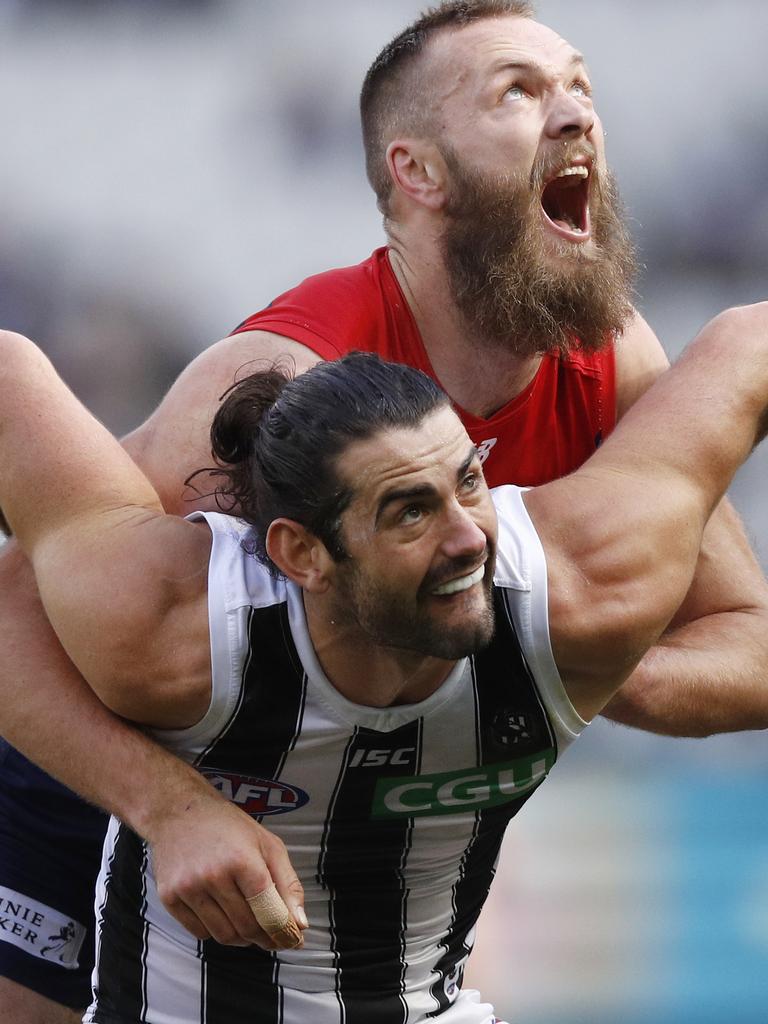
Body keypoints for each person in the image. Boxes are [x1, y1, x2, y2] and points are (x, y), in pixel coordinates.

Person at [1, 2, 768, 1020]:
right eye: (521, 91)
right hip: (96, 794)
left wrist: (547, 670)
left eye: (581, 85)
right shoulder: (281, 384)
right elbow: (28, 599)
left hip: (341, 835)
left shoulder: (610, 357)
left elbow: (746, 647)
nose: (577, 112)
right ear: (420, 172)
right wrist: (164, 804)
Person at [2, 308, 768, 1023]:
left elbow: (747, 345)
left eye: (470, 480)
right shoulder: (178, 633)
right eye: (410, 510)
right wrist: (167, 807)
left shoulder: (574, 599)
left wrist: (591, 677)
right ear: (302, 555)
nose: (469, 538)